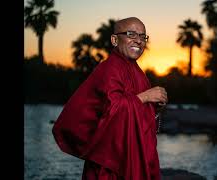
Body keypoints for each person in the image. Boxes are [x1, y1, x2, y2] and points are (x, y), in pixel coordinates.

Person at [52, 17, 168, 180]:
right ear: (114, 39)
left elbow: (138, 114)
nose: (139, 41)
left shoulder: (139, 73)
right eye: (131, 34)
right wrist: (146, 96)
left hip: (133, 153)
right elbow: (112, 110)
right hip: (110, 161)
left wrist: (154, 106)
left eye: (143, 37)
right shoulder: (109, 68)